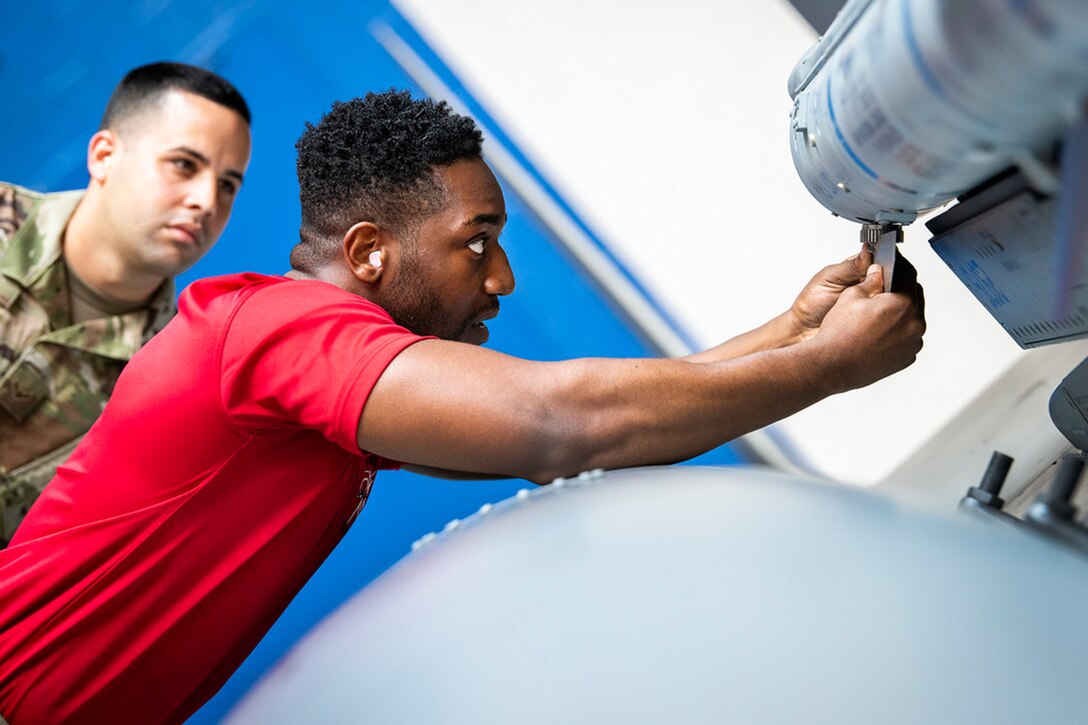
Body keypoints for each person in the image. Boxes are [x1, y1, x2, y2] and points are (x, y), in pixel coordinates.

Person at [0, 90, 924, 722]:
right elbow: (560, 422)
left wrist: (796, 330)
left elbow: (545, 434)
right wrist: (828, 369)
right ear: (368, 253)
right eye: (476, 241)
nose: (502, 277)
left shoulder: (313, 375)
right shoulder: (277, 328)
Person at [0, 61, 252, 545]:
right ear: (104, 156)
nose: (205, 200)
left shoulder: (174, 379)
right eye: (184, 164)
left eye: (227, 185)